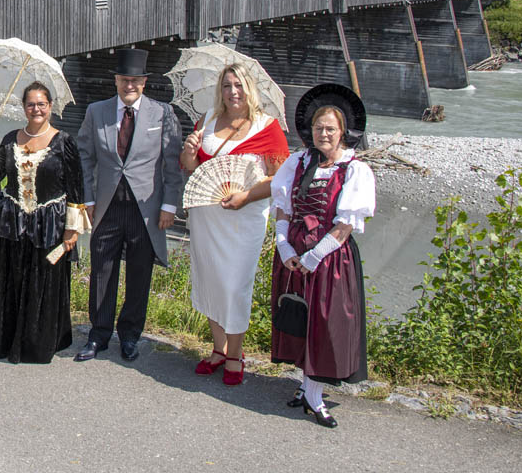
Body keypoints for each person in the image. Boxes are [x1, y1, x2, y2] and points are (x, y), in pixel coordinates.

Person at [269, 84, 375, 428]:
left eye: (330, 128)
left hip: (329, 258)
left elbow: (345, 224)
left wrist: (315, 256)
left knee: (324, 325)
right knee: (298, 319)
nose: (324, 134)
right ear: (310, 131)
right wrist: (284, 246)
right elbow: (283, 208)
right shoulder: (297, 161)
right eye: (319, 128)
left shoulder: (354, 170)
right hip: (294, 254)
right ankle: (305, 385)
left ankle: (315, 395)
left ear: (342, 132)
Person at [180, 64, 289, 385]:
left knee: (234, 284)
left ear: (249, 89)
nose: (233, 92)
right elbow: (191, 168)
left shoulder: (268, 128)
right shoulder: (208, 121)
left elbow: (279, 179)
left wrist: (246, 196)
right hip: (207, 216)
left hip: (245, 217)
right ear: (220, 90)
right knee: (209, 279)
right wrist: (188, 152)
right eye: (227, 85)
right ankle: (218, 348)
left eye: (238, 85)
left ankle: (235, 353)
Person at [75, 48, 184, 362]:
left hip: (145, 209)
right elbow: (85, 156)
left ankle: (130, 336)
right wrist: (89, 198)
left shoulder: (162, 114)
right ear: (117, 80)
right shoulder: (97, 111)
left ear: (145, 82)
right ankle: (98, 336)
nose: (129, 86)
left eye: (135, 80)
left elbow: (171, 164)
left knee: (139, 275)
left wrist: (169, 206)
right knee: (102, 272)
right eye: (124, 80)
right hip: (107, 206)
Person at [0, 81, 90, 363]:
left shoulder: (65, 142)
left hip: (49, 224)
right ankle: (10, 340)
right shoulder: (11, 139)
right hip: (14, 223)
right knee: (13, 280)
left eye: (41, 104)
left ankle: (40, 344)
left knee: (45, 283)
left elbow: (76, 189)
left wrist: (72, 230)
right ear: (23, 107)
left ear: (50, 107)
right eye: (30, 104)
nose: (36, 109)